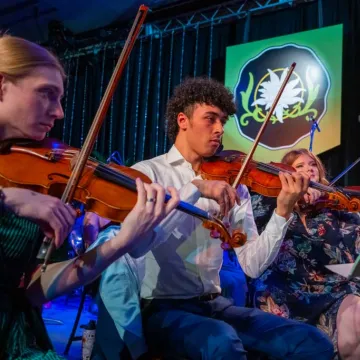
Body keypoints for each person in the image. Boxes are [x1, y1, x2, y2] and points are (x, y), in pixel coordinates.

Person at [0, 34, 180, 359]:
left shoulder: (32, 175)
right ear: (1, 86)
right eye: (46, 94)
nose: (59, 112)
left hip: (19, 339)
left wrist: (119, 243)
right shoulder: (16, 191)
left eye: (60, 98)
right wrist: (8, 199)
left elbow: (35, 291)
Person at [128, 77, 334, 359]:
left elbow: (252, 264)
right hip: (162, 307)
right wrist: (195, 189)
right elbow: (138, 246)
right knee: (222, 343)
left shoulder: (234, 181)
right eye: (210, 119)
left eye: (222, 121)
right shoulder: (149, 173)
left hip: (215, 304)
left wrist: (282, 211)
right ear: (182, 120)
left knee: (312, 342)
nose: (219, 129)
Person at [248, 148, 360, 360]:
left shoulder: (335, 207)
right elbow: (251, 242)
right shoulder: (267, 203)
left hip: (332, 290)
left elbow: (352, 251)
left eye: (312, 166)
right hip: (282, 291)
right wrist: (288, 203)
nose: (309, 170)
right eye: (299, 166)